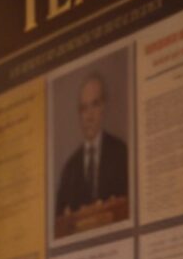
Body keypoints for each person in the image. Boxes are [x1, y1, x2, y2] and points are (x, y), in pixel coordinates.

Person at [53, 70, 130, 234]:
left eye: (94, 105)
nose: (88, 116)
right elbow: (58, 224)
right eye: (83, 108)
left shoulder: (121, 153)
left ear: (104, 107)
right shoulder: (69, 169)